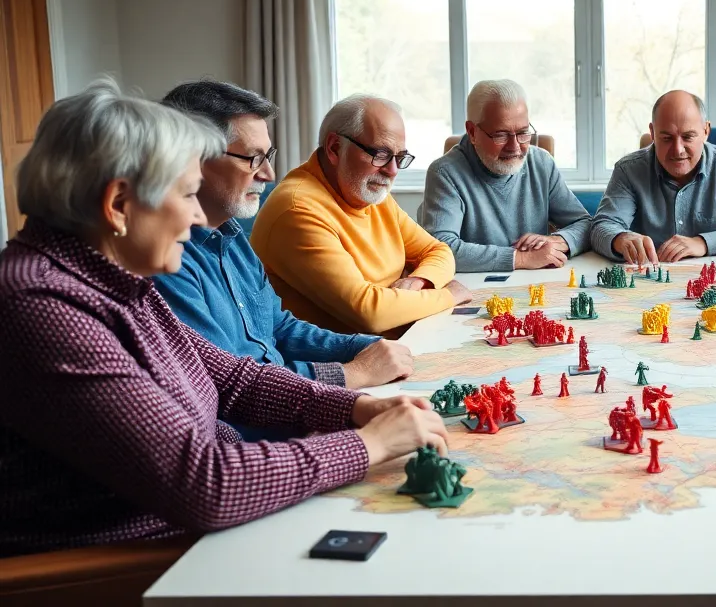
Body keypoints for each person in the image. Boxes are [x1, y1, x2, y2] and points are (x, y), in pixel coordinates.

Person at [0, 81, 452, 557]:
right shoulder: (42, 303)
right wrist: (369, 445)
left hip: (193, 531)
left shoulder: (111, 278)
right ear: (118, 205)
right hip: (119, 567)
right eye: (186, 194)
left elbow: (233, 379)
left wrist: (355, 409)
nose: (197, 216)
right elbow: (203, 485)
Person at [154, 80, 413, 396]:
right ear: (194, 160)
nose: (268, 174)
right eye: (252, 158)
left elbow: (280, 328)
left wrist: (370, 346)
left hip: (296, 407)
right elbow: (233, 388)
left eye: (268, 155)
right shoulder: (165, 262)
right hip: (264, 430)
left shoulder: (233, 238)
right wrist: (353, 372)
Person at [251, 95, 470, 336]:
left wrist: (419, 282)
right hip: (341, 361)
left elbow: (438, 251)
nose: (392, 170)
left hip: (400, 340)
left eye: (399, 158)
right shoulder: (297, 209)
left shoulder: (367, 192)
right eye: (380, 154)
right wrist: (448, 295)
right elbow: (370, 313)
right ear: (335, 147)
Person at [419, 79, 591, 272]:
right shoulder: (445, 173)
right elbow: (441, 249)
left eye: (523, 133)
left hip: (536, 285)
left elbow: (585, 224)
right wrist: (520, 259)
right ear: (472, 131)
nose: (515, 147)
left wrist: (558, 240)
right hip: (477, 290)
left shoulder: (542, 163)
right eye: (501, 135)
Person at [591, 90, 716, 265]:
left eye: (688, 137)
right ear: (652, 133)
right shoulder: (628, 170)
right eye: (667, 138)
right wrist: (620, 238)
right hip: (649, 279)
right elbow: (601, 227)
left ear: (706, 131)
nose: (678, 150)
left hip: (713, 278)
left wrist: (703, 243)